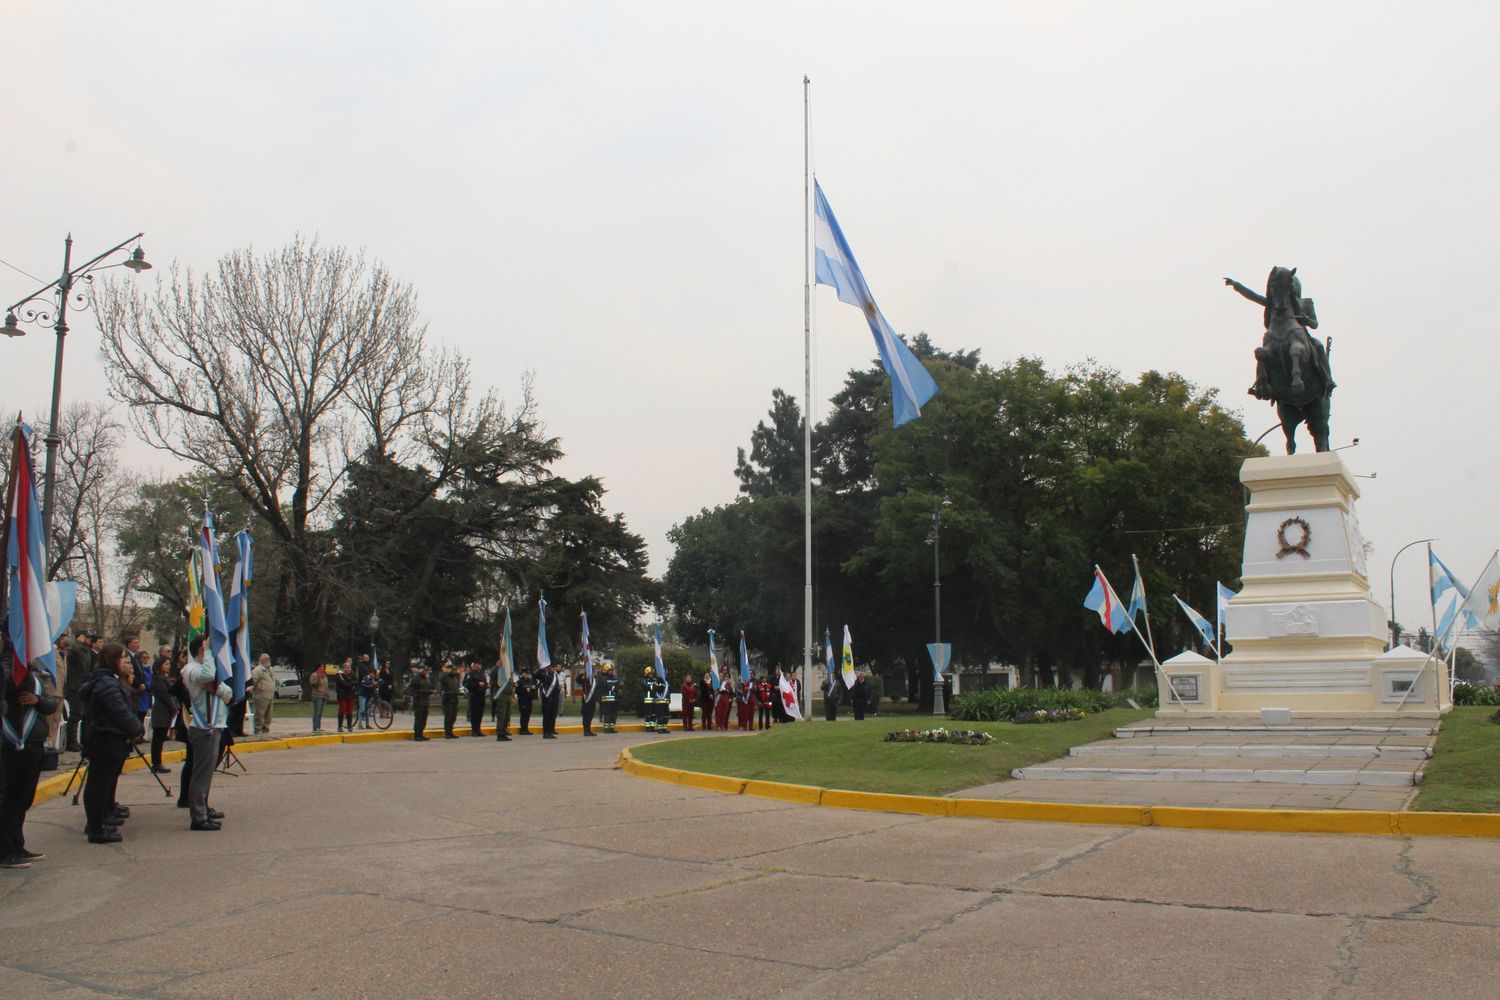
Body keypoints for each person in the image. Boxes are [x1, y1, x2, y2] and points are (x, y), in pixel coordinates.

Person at [1, 642, 61, 868]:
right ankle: (5, 850)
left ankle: (17, 845)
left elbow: (50, 703)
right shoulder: (11, 666)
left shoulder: (35, 668)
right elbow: (12, 685)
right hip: (15, 741)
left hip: (34, 739)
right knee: (13, 798)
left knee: (24, 798)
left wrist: (39, 700)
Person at [78, 643, 143, 843]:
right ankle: (97, 828)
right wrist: (137, 728)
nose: (125, 661)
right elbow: (120, 712)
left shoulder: (108, 680)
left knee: (101, 784)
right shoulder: (107, 683)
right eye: (122, 657)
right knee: (99, 785)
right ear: (112, 660)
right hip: (106, 739)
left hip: (108, 738)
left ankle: (98, 822)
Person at [182, 634, 231, 831]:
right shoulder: (191, 669)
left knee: (207, 773)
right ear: (201, 650)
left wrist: (217, 689)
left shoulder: (208, 669)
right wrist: (209, 651)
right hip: (203, 727)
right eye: (208, 648)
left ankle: (204, 807)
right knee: (201, 774)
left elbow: (228, 694)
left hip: (215, 725)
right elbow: (207, 676)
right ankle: (198, 817)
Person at [149, 649, 178, 773]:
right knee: (158, 739)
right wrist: (173, 708)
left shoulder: (166, 677)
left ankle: (158, 762)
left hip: (166, 712)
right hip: (161, 711)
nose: (168, 666)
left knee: (161, 738)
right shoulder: (158, 679)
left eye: (168, 664)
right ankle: (156, 763)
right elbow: (164, 695)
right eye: (165, 664)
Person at [63, 630, 92, 751]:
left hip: (82, 686)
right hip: (74, 686)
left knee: (80, 714)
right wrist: (78, 641)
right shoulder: (76, 650)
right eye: (88, 637)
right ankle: (71, 741)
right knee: (75, 715)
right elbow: (72, 650)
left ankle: (76, 741)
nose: (90, 640)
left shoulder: (86, 652)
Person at [125, 635, 149, 729]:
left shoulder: (136, 657)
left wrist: (142, 683)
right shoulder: (127, 656)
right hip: (132, 687)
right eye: (135, 643)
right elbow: (131, 672)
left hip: (138, 690)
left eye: (137, 643)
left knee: (137, 711)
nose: (137, 645)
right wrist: (138, 684)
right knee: (132, 711)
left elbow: (140, 672)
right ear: (129, 644)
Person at [405, 663, 432, 741]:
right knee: (419, 719)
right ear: (420, 670)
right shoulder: (416, 678)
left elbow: (429, 687)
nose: (425, 672)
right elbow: (410, 689)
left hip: (426, 702)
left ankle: (421, 734)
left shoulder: (426, 679)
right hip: (419, 702)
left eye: (426, 671)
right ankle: (417, 735)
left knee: (424, 719)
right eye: (423, 670)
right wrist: (416, 694)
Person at [249, 654, 275, 734]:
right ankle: (258, 729)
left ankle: (266, 729)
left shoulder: (270, 670)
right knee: (260, 714)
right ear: (262, 660)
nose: (268, 660)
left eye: (269, 659)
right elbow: (253, 681)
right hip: (261, 695)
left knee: (269, 715)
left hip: (270, 695)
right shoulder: (258, 670)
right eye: (266, 659)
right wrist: (251, 687)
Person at [462, 661, 488, 736]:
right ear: (475, 665)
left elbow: (484, 684)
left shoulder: (482, 674)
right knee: (474, 714)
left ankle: (478, 730)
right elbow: (467, 684)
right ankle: (474, 731)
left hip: (482, 696)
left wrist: (486, 685)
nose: (481, 666)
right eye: (479, 664)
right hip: (474, 696)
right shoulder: (470, 674)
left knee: (480, 714)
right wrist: (477, 684)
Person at [491, 660, 513, 741]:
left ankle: (504, 732)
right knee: (501, 715)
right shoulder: (499, 672)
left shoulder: (508, 673)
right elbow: (492, 674)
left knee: (507, 716)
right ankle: (500, 734)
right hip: (501, 696)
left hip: (508, 696)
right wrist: (497, 666)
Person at [438, 661, 461, 738]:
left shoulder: (454, 678)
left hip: (454, 699)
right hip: (448, 699)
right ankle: (447, 733)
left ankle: (450, 732)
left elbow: (456, 687)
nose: (453, 671)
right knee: (448, 717)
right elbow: (440, 678)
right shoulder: (445, 676)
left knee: (453, 717)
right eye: (451, 669)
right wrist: (445, 672)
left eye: (453, 669)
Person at [538, 664, 561, 738]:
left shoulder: (555, 676)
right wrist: (541, 669)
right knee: (546, 716)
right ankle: (546, 733)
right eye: (552, 667)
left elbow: (556, 686)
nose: (554, 669)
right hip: (547, 699)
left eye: (554, 668)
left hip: (554, 699)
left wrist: (558, 689)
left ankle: (550, 732)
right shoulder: (544, 675)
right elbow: (535, 675)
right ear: (549, 668)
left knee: (552, 716)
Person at [334, 661, 357, 733]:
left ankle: (350, 727)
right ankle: (340, 727)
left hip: (350, 695)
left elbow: (356, 681)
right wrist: (351, 685)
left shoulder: (352, 674)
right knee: (342, 711)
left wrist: (349, 683)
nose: (349, 669)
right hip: (342, 695)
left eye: (350, 668)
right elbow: (342, 683)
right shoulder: (339, 674)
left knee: (350, 711)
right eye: (347, 668)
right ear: (344, 668)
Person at [515, 665, 537, 735]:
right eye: (525, 673)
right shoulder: (519, 682)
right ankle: (522, 729)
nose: (526, 674)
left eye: (527, 673)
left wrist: (533, 689)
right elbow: (517, 691)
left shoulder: (530, 681)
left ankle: (526, 729)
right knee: (523, 715)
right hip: (522, 700)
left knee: (528, 714)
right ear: (522, 674)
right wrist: (524, 690)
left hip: (529, 700)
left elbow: (533, 689)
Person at [598, 661, 619, 733]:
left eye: (612, 670)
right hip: (607, 699)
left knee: (614, 714)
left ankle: (612, 728)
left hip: (615, 699)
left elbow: (618, 685)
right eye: (610, 670)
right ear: (606, 670)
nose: (611, 671)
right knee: (607, 714)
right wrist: (615, 688)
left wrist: (621, 686)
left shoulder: (615, 678)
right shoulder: (602, 678)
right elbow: (606, 686)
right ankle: (606, 728)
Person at [308, 664, 330, 733]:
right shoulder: (314, 675)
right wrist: (318, 677)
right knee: (316, 712)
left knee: (320, 712)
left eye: (323, 666)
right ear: (317, 667)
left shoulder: (325, 676)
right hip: (317, 696)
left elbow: (326, 686)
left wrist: (327, 694)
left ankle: (318, 726)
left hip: (324, 695)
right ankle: (315, 728)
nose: (322, 668)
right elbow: (312, 683)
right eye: (321, 666)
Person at [578, 668, 599, 736]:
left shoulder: (595, 680)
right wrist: (581, 674)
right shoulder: (585, 680)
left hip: (593, 701)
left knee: (590, 716)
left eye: (592, 672)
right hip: (586, 701)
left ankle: (589, 730)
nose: (591, 673)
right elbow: (578, 680)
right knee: (586, 716)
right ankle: (585, 731)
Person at [357, 663, 376, 730]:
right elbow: (363, 683)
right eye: (372, 673)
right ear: (369, 673)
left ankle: (367, 724)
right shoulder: (366, 678)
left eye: (374, 674)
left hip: (368, 696)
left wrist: (379, 682)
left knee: (367, 711)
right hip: (363, 696)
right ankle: (359, 725)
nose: (373, 675)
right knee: (362, 710)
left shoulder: (373, 679)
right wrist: (370, 684)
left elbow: (379, 681)